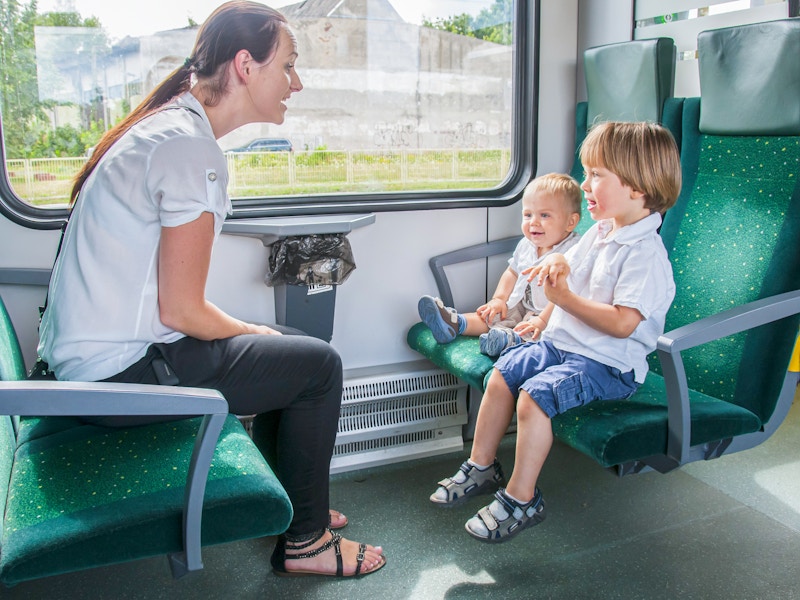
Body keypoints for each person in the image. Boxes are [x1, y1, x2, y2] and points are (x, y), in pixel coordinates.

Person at [37, 1, 384, 578]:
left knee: (291, 341)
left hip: (94, 362)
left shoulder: (171, 128)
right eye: (290, 65)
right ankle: (307, 544)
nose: (297, 83)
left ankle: (295, 505)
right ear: (246, 66)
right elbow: (182, 308)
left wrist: (260, 334)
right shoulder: (189, 149)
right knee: (317, 365)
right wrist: (249, 329)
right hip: (117, 379)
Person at [428, 121, 681, 544]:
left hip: (608, 364)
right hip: (564, 344)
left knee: (534, 397)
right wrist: (557, 266)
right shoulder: (601, 232)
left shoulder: (644, 254)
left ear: (637, 188)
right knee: (503, 374)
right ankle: (482, 464)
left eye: (597, 176)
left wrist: (563, 300)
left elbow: (622, 323)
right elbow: (570, 263)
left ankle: (522, 498)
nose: (586, 184)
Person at [417, 173, 581, 357]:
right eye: (528, 215)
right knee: (496, 315)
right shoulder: (527, 245)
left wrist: (542, 321)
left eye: (544, 215)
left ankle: (507, 341)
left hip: (551, 313)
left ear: (570, 222)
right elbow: (512, 272)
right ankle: (454, 323)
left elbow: (567, 294)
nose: (533, 222)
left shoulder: (573, 251)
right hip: (522, 303)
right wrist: (499, 299)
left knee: (538, 331)